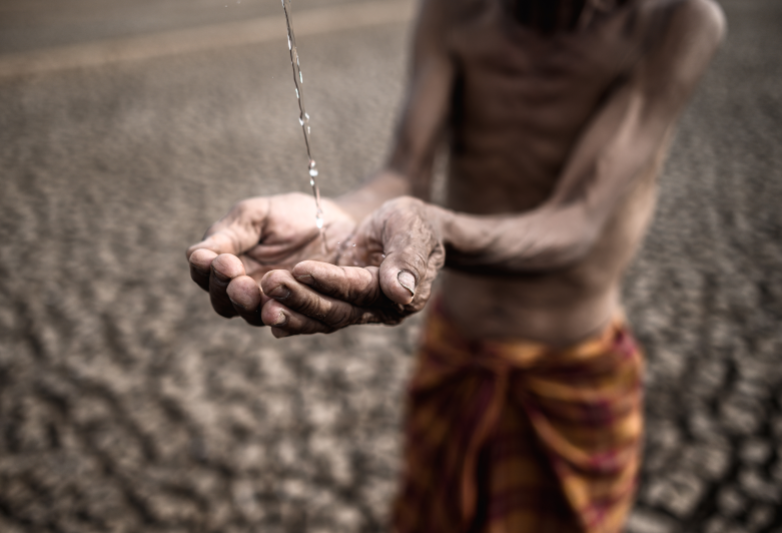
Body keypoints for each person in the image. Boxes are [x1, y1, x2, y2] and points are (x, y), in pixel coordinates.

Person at [186, 0, 724, 530]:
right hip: (455, 352)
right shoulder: (456, 9)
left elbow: (576, 219)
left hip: (574, 369)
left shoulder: (675, 20)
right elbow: (405, 173)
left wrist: (433, 232)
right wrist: (335, 215)